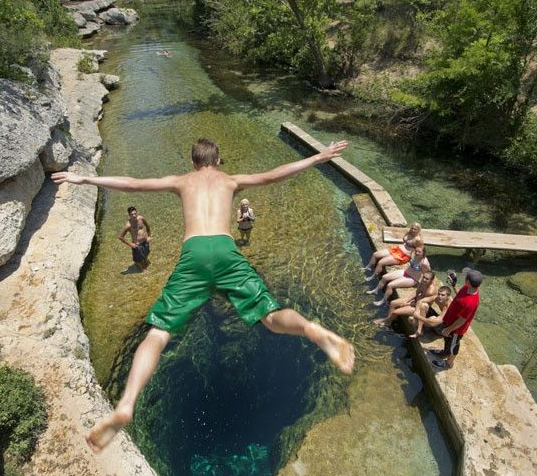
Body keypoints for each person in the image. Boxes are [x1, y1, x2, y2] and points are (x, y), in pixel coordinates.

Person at [52, 138, 355, 453]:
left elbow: (132, 184)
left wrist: (85, 177)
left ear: (193, 161)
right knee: (270, 316)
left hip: (194, 253)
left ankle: (127, 403)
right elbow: (274, 174)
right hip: (225, 249)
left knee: (159, 333)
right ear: (218, 159)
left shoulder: (181, 181)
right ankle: (312, 330)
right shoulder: (230, 181)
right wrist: (318, 158)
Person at [430, 269, 483, 369]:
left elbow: (462, 320)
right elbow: (461, 296)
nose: (464, 278)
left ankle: (449, 363)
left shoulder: (471, 303)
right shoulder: (469, 287)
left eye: (466, 277)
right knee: (448, 340)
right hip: (450, 320)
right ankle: (445, 352)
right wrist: (454, 285)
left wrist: (448, 329)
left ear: (468, 281)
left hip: (456, 329)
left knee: (454, 345)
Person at [366, 246, 431, 306]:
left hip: (412, 278)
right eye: (416, 251)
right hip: (405, 272)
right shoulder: (414, 254)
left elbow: (428, 274)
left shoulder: (424, 263)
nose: (416, 253)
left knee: (390, 285)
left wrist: (423, 285)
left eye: (419, 252)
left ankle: (383, 301)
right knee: (384, 277)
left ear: (423, 253)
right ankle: (375, 290)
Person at [374, 270, 438, 328]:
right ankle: (389, 321)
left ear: (431, 280)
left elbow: (421, 303)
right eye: (424, 277)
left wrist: (407, 304)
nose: (424, 279)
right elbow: (417, 292)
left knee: (395, 312)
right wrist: (407, 300)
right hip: (416, 301)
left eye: (427, 279)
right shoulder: (422, 282)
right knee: (392, 303)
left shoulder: (430, 291)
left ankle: (386, 320)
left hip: (420, 308)